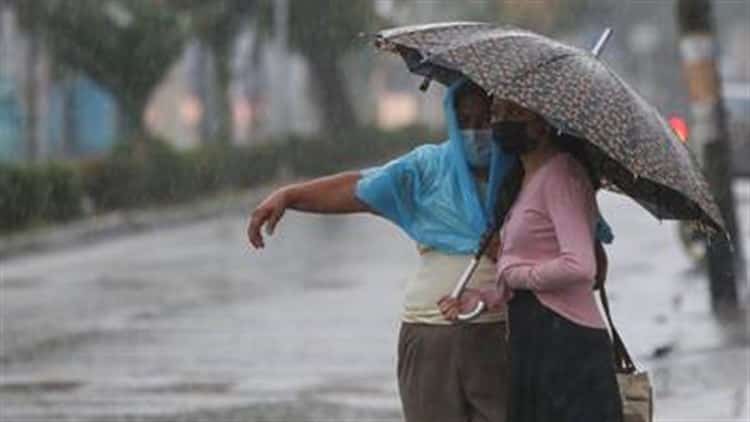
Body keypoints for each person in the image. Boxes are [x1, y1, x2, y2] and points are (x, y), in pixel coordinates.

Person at [248, 80, 515, 422]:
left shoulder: (524, 173)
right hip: (429, 334)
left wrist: (506, 251)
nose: (475, 131)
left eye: (486, 120)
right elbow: (360, 188)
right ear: (450, 119)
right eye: (464, 121)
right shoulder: (427, 169)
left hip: (500, 333)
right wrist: (290, 196)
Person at [439, 99, 623, 422]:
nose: (501, 122)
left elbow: (581, 266)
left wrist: (515, 275)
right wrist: (481, 299)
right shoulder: (522, 181)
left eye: (516, 113)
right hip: (534, 343)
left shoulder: (562, 174)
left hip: (567, 344)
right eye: (497, 113)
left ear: (544, 122)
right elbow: (527, 263)